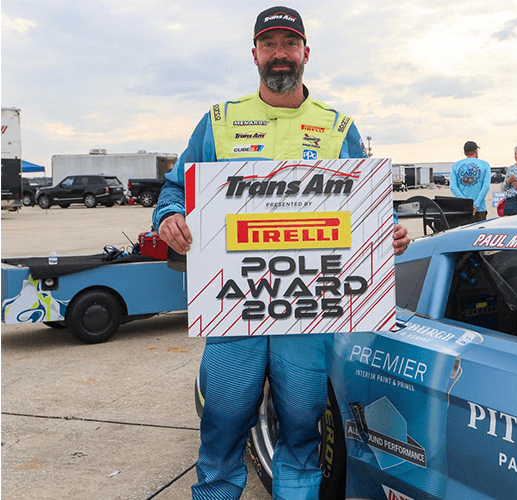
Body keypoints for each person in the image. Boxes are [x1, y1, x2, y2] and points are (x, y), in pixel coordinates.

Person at [151, 7, 410, 500]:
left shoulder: (338, 127)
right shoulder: (220, 121)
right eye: (269, 45)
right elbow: (173, 191)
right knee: (224, 421)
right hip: (235, 308)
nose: (279, 54)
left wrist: (389, 232)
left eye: (288, 44)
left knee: (300, 430)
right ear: (254, 55)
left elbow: (369, 205)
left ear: (306, 54)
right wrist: (167, 217)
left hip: (308, 311)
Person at [450, 141, 491, 221]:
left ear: (465, 153)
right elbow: (486, 186)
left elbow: (453, 187)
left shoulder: (456, 165)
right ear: (476, 151)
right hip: (479, 209)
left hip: (462, 209)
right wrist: (476, 204)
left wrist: (466, 204)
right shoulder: (485, 164)